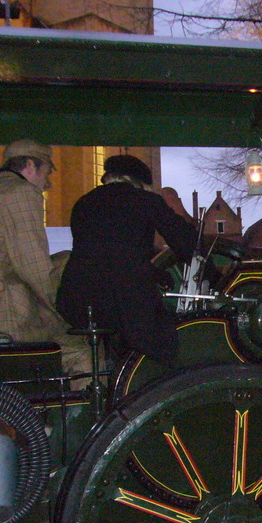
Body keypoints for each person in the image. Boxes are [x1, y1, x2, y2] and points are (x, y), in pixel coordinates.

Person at [0, 139, 91, 380]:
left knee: (64, 259)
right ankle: (85, 415)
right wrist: (70, 314)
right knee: (82, 353)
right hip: (1, 318)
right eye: (46, 172)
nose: (49, 184)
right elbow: (36, 269)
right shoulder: (21, 193)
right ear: (29, 166)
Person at [56, 154, 198, 365]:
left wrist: (155, 272)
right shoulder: (145, 201)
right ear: (138, 182)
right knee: (167, 344)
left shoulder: (84, 203)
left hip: (79, 300)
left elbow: (107, 253)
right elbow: (185, 243)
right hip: (125, 301)